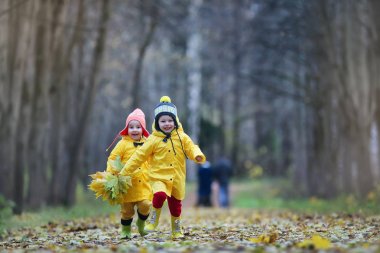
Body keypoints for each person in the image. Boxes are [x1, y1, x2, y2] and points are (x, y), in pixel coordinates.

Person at [120, 96, 206, 239]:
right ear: (157, 123)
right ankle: (153, 220)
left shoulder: (181, 136)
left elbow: (191, 147)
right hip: (158, 177)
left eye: (170, 120)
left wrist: (196, 155)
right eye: (163, 121)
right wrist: (124, 172)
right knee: (159, 195)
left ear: (175, 121)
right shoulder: (153, 139)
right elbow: (139, 156)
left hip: (177, 176)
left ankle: (176, 229)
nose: (167, 124)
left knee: (176, 206)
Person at [105, 108, 152, 239]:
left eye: (138, 127)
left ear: (143, 129)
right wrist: (112, 172)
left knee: (146, 205)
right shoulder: (122, 144)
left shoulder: (148, 143)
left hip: (144, 182)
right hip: (126, 185)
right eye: (131, 127)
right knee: (127, 211)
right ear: (127, 129)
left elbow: (153, 158)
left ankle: (141, 223)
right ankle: (126, 230)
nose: (135, 130)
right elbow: (113, 158)